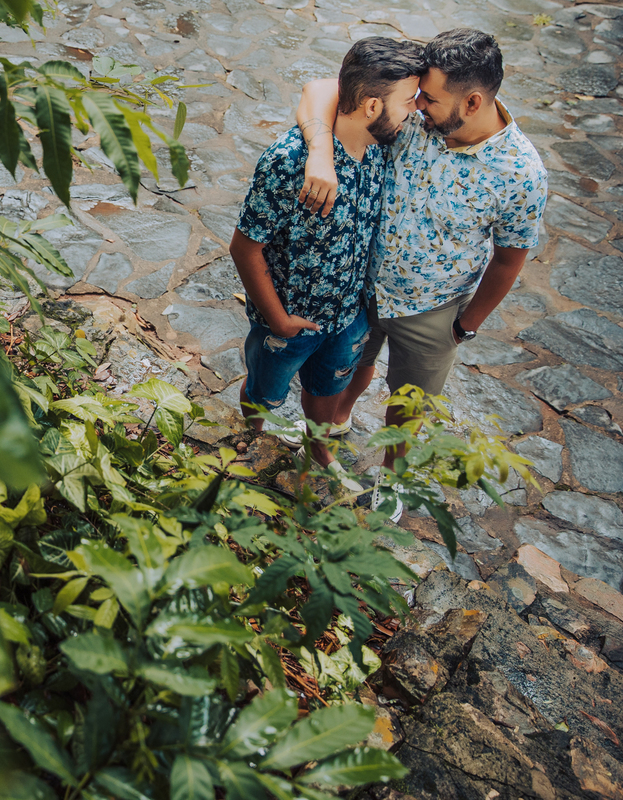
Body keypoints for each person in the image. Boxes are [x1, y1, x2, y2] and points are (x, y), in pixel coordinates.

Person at [296, 28, 548, 521]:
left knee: (409, 406)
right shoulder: (412, 118)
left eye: (428, 98)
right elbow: (324, 90)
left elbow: (509, 257)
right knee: (352, 366)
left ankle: (393, 477)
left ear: (472, 101)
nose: (418, 105)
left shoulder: (522, 173)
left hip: (433, 310)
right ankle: (336, 422)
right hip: (362, 286)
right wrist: (319, 152)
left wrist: (467, 323)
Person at [229, 37, 426, 487]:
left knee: (328, 392)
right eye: (408, 101)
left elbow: (325, 86)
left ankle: (319, 450)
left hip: (348, 318)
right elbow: (245, 247)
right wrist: (278, 320)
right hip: (288, 321)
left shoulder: (378, 148)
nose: (414, 110)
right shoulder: (290, 162)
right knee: (264, 392)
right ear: (373, 106)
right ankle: (251, 435)